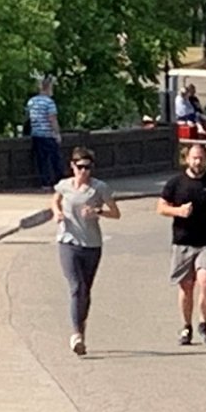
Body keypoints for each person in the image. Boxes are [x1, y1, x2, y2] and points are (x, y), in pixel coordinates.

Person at [156, 144, 206, 348]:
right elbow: (161, 207)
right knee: (186, 286)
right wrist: (178, 211)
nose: (197, 162)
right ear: (187, 159)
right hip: (183, 241)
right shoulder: (176, 183)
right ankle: (186, 326)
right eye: (194, 158)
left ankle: (204, 324)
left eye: (201, 158)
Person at [51, 147, 121, 356]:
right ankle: (75, 334)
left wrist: (98, 211)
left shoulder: (99, 188)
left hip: (91, 245)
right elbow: (55, 199)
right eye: (80, 167)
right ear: (72, 166)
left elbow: (116, 213)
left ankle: (81, 332)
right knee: (76, 286)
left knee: (85, 291)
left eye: (88, 168)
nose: (84, 172)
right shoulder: (64, 185)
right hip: (68, 242)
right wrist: (57, 213)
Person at [25, 76, 63, 190]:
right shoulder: (49, 102)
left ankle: (45, 183)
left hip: (36, 134)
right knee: (55, 159)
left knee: (42, 160)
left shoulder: (31, 101)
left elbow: (28, 118)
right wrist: (57, 133)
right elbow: (52, 119)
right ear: (48, 88)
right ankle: (58, 181)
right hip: (48, 134)